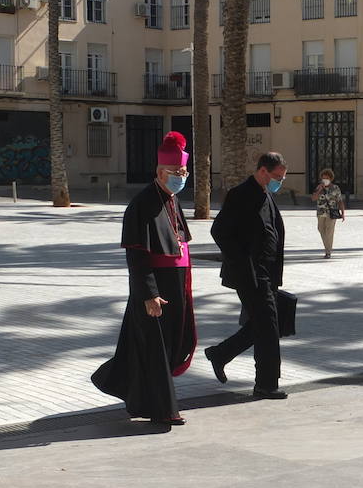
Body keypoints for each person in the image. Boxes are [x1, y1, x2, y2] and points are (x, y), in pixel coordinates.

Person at [91, 132, 195, 426]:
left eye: (184, 172)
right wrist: (149, 294)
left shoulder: (171, 200)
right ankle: (164, 410)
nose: (181, 177)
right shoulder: (141, 204)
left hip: (174, 285)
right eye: (176, 172)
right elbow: (137, 255)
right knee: (156, 350)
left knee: (154, 348)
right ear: (160, 172)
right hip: (155, 289)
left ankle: (118, 383)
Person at [206, 152, 289, 400]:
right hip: (251, 275)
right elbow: (219, 231)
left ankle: (220, 354)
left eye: (282, 178)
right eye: (277, 177)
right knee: (268, 329)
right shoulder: (241, 194)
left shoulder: (266, 194)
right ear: (263, 170)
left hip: (268, 274)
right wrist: (243, 264)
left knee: (263, 325)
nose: (279, 182)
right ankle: (266, 384)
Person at [313, 168, 346, 258]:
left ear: (331, 178)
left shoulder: (335, 188)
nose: (325, 180)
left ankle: (328, 251)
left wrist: (342, 213)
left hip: (331, 213)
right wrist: (319, 190)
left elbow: (340, 201)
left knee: (329, 232)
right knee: (321, 229)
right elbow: (314, 198)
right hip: (320, 213)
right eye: (323, 178)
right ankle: (327, 248)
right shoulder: (319, 187)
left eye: (326, 178)